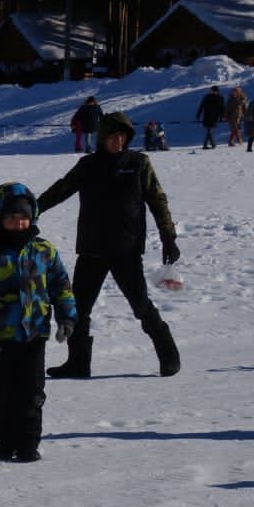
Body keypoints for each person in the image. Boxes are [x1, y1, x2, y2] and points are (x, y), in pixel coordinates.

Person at [36, 110, 181, 378]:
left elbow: (157, 200)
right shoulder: (88, 165)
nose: (118, 141)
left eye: (122, 136)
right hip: (92, 247)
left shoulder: (138, 163)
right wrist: (31, 210)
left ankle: (168, 354)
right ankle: (78, 362)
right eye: (113, 136)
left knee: (140, 305)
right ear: (102, 137)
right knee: (79, 307)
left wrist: (168, 236)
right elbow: (61, 189)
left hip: (126, 248)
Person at [0, 182, 76, 462]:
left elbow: (61, 285)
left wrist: (66, 316)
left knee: (32, 393)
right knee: (3, 393)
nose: (18, 223)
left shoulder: (43, 250)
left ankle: (28, 443)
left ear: (33, 217)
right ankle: (5, 443)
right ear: (0, 217)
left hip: (34, 334)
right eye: (12, 218)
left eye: (23, 217)